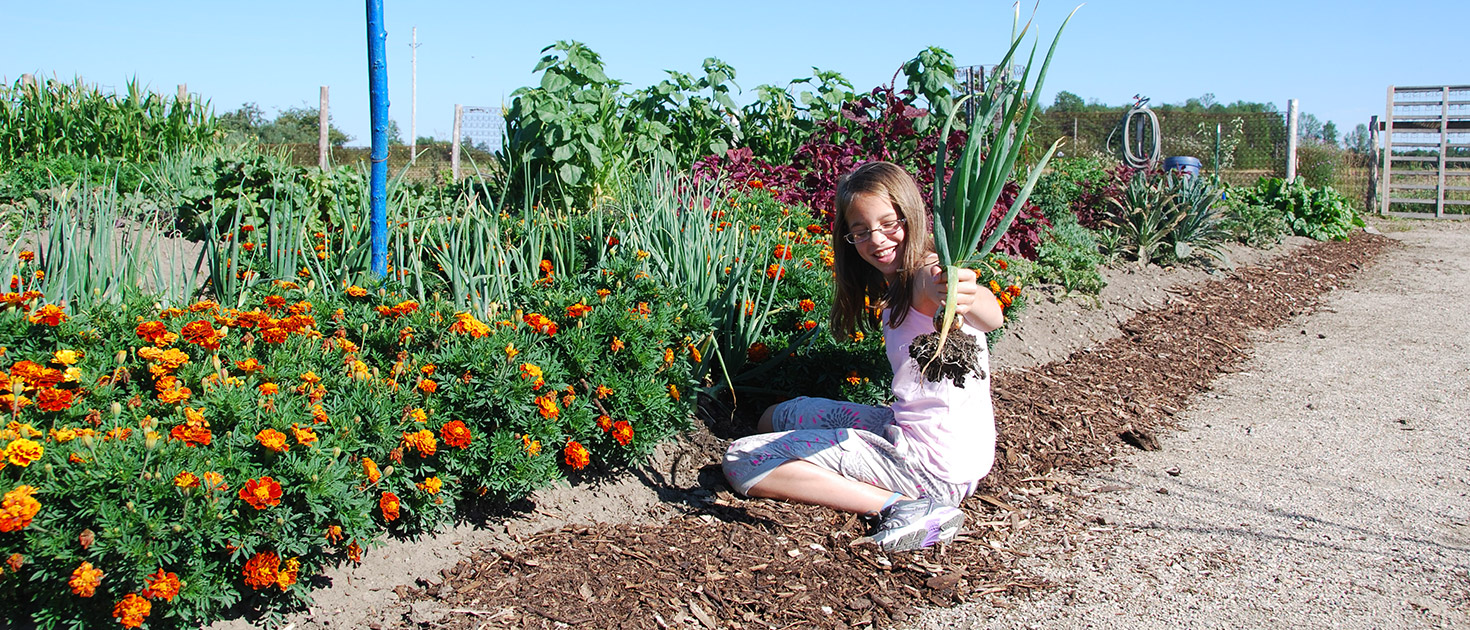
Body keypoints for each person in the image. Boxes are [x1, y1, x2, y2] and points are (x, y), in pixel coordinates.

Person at [722, 160, 1004, 552]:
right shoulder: (901, 282)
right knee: (778, 415)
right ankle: (826, 465)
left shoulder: (928, 274)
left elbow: (990, 314)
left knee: (742, 460)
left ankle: (909, 507)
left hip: (932, 468)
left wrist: (964, 292)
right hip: (925, 438)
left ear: (911, 214)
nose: (877, 240)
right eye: (861, 231)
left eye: (890, 224)